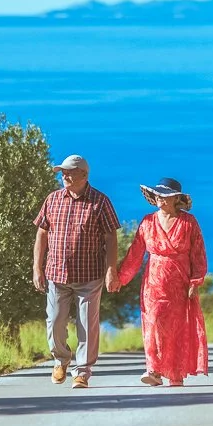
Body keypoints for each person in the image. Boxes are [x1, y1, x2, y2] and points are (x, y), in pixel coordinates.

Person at [33, 155, 121, 389]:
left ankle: (82, 371)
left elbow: (111, 236)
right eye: (62, 172)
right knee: (54, 321)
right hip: (56, 273)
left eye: (69, 172)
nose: (64, 176)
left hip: (89, 276)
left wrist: (112, 269)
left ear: (84, 175)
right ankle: (60, 360)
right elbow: (42, 233)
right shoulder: (52, 200)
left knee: (87, 325)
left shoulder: (100, 202)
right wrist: (36, 267)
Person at [118, 177, 209, 387]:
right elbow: (135, 254)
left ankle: (175, 373)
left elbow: (198, 254)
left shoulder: (189, 223)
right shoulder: (148, 222)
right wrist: (121, 278)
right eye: (158, 194)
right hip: (153, 283)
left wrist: (196, 281)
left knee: (176, 328)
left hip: (179, 284)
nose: (160, 198)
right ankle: (154, 370)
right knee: (153, 323)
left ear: (176, 198)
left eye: (165, 195)